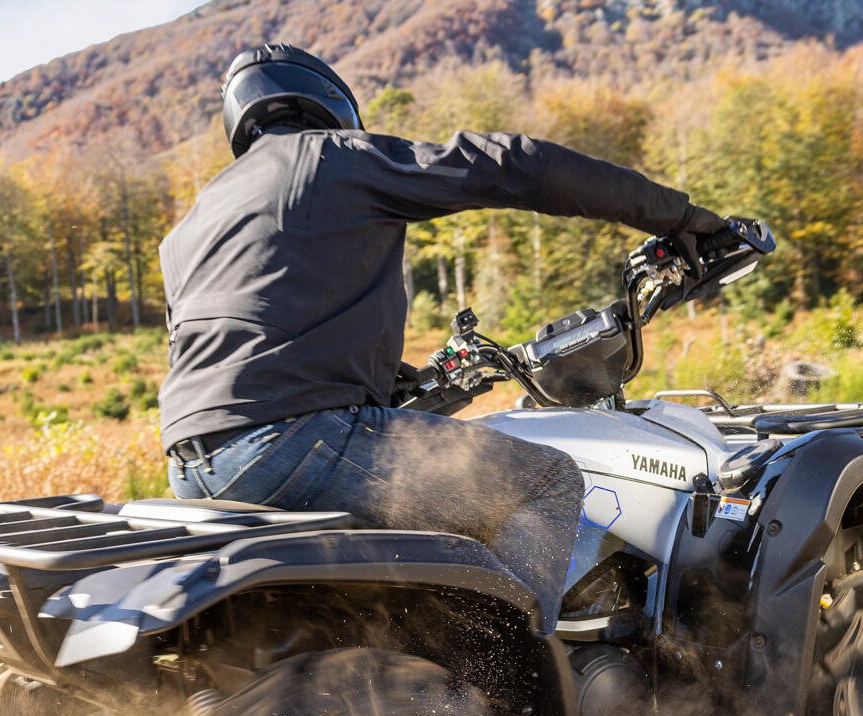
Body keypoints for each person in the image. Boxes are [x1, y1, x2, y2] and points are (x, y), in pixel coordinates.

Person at [159, 43, 724, 634]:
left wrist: (382, 380)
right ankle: (513, 676)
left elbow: (241, 340)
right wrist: (680, 219)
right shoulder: (329, 157)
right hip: (295, 441)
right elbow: (514, 164)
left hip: (193, 465)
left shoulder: (193, 222)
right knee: (547, 484)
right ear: (329, 106)